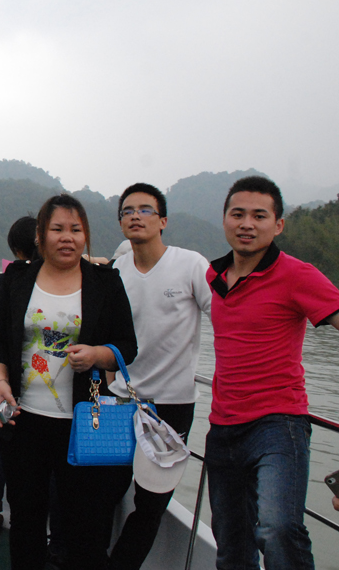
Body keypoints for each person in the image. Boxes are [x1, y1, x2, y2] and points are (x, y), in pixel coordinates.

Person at [204, 176, 339, 570]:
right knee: (231, 547)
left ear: (278, 226)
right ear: (224, 220)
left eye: (259, 216)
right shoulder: (214, 276)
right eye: (238, 214)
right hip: (222, 428)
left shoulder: (296, 274)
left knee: (278, 529)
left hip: (277, 425)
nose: (247, 224)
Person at [0, 194, 138, 570]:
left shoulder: (105, 282)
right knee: (26, 520)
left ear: (85, 236)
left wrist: (97, 354)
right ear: (40, 235)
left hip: (83, 424)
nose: (67, 237)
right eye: (57, 229)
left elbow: (127, 346)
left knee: (85, 525)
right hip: (23, 419)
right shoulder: (16, 279)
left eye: (76, 229)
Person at [104, 183, 212, 570]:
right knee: (99, 493)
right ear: (121, 223)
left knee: (150, 504)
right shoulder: (115, 272)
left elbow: (227, 318)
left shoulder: (191, 265)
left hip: (171, 406)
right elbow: (105, 334)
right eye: (127, 211)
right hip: (119, 401)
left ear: (163, 221)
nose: (136, 216)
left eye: (145, 210)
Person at [0, 215, 38, 535]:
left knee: (0, 441)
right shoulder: (51, 278)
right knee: (38, 450)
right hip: (39, 380)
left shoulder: (7, 279)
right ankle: (27, 518)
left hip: (4, 379)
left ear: (15, 248)